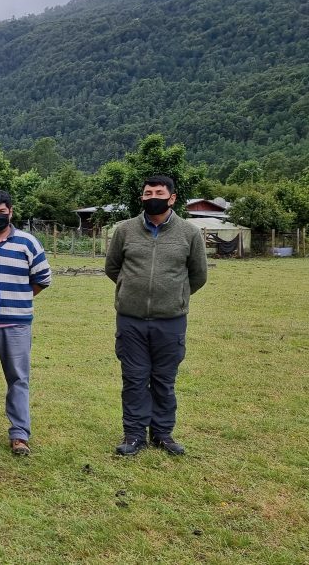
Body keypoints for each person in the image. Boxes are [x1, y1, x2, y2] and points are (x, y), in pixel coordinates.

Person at [105, 175, 208, 456]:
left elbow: (198, 275)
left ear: (172, 198)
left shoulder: (189, 233)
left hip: (170, 321)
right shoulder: (124, 230)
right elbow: (113, 268)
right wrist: (132, 291)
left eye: (159, 192)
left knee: (164, 379)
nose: (153, 196)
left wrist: (173, 297)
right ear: (142, 197)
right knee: (135, 379)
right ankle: (134, 434)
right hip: (131, 320)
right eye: (148, 192)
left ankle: (162, 433)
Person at [0, 190, 52, 456]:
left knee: (18, 379)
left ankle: (19, 433)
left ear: (11, 212)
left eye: (1, 212)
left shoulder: (27, 242)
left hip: (16, 325)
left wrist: (19, 297)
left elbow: (42, 279)